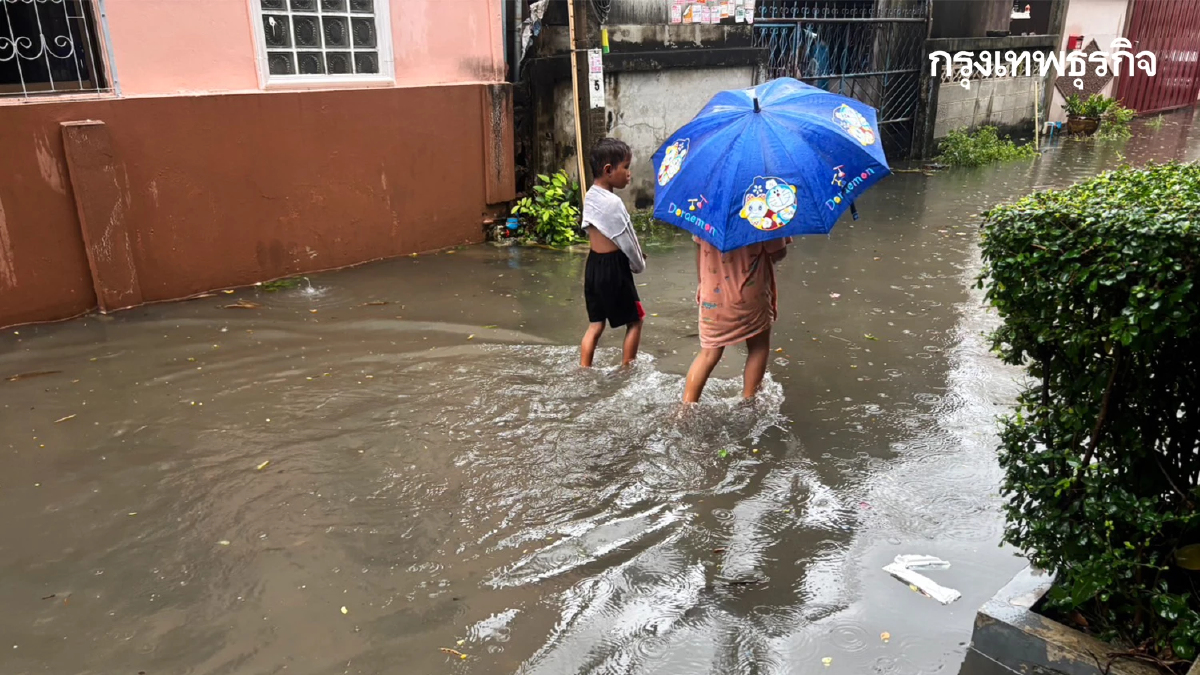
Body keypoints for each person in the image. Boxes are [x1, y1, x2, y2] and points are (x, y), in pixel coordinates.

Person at [683, 235, 791, 403]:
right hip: (751, 294)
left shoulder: (706, 212)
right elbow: (778, 253)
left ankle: (686, 407)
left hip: (712, 295)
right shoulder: (764, 214)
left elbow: (698, 249)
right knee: (758, 346)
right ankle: (749, 400)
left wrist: (701, 283)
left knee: (708, 353)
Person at [579, 138, 646, 368]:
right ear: (608, 170)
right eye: (625, 167)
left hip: (593, 267)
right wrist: (638, 265)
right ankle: (628, 368)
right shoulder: (614, 203)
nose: (629, 174)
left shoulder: (590, 196)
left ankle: (584, 368)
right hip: (614, 270)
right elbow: (628, 242)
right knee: (635, 321)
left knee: (596, 325)